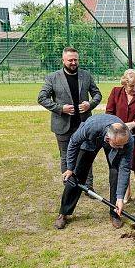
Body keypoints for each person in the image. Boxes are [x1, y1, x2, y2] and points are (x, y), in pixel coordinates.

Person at [55, 114, 134, 230]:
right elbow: (73, 142)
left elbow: (125, 169)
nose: (122, 148)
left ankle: (115, 213)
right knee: (77, 174)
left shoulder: (127, 140)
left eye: (123, 145)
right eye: (119, 145)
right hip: (92, 139)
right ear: (108, 139)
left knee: (116, 173)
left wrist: (120, 197)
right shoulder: (90, 128)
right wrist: (70, 168)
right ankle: (64, 213)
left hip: (112, 138)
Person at [38, 47, 101, 188]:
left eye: (75, 60)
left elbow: (97, 95)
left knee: (86, 155)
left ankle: (87, 186)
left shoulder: (86, 75)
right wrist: (61, 108)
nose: (73, 62)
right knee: (66, 157)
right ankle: (70, 185)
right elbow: (42, 98)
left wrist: (89, 105)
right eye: (70, 60)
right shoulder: (52, 77)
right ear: (63, 60)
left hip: (83, 124)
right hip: (62, 126)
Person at [106, 69, 135, 207]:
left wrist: (132, 124)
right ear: (124, 83)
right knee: (122, 165)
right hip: (118, 136)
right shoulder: (116, 92)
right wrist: (117, 126)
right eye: (131, 86)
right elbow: (109, 112)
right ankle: (126, 192)